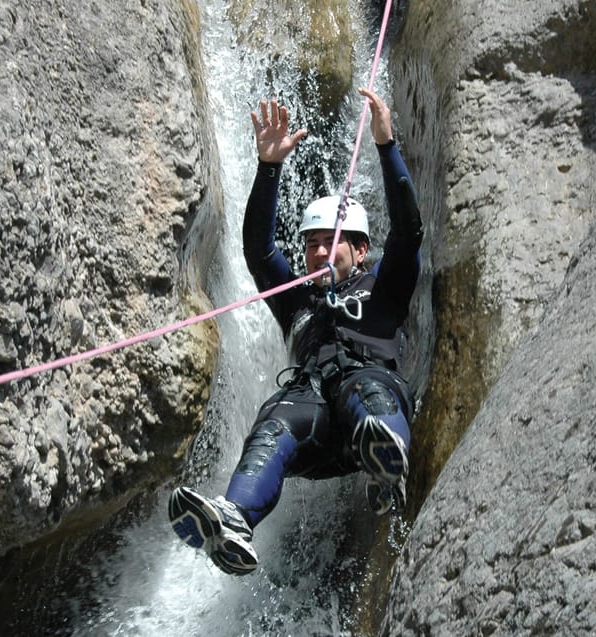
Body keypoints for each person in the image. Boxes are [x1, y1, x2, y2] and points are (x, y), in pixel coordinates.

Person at [168, 87, 423, 576]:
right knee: (277, 415)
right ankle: (234, 518)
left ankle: (388, 460)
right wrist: (268, 168)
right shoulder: (298, 301)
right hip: (317, 433)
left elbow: (409, 232)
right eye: (312, 245)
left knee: (364, 385)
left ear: (360, 249)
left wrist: (387, 148)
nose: (321, 254)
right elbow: (259, 251)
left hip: (367, 412)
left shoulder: (384, 289)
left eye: (333, 243)